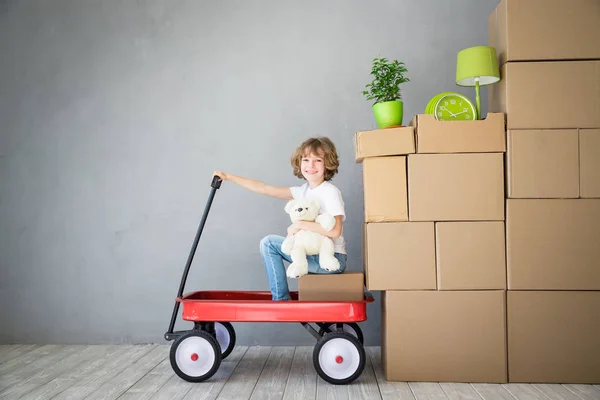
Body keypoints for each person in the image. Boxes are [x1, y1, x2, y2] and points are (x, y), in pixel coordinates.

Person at [213, 136, 347, 300]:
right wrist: (229, 177)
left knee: (269, 243)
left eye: (317, 160)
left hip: (331, 259)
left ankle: (281, 300)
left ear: (327, 164)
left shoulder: (330, 192)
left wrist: (300, 225)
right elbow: (264, 188)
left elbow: (335, 231)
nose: (310, 165)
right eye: (306, 160)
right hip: (312, 254)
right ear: (299, 163)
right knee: (272, 243)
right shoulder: (302, 192)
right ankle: (281, 298)